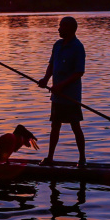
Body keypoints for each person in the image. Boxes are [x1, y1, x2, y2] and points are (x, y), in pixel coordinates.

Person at [38, 16, 86, 166]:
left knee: (75, 126)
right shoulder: (57, 45)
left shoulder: (78, 47)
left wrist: (61, 86)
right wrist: (46, 79)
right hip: (57, 96)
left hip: (71, 96)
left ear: (70, 29)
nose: (58, 29)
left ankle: (82, 159)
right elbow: (52, 65)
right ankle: (50, 158)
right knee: (55, 126)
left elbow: (78, 72)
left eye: (61, 26)